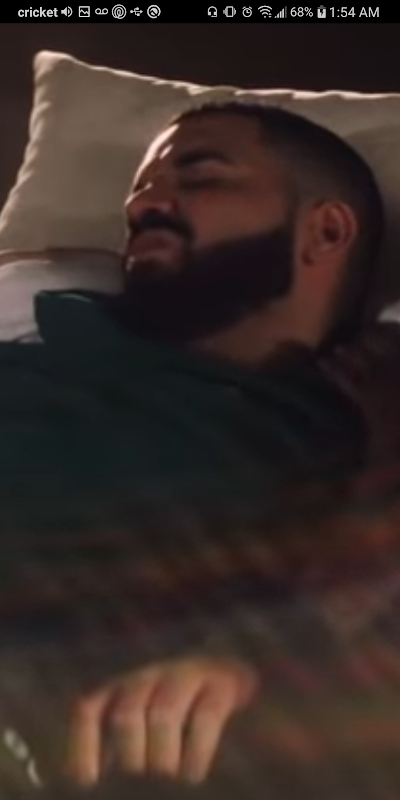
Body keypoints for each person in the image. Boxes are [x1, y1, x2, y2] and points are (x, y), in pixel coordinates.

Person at [1, 102, 399, 796]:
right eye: (140, 189)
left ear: (327, 230)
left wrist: (268, 653)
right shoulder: (35, 348)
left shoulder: (349, 420)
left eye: (201, 176)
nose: (141, 206)